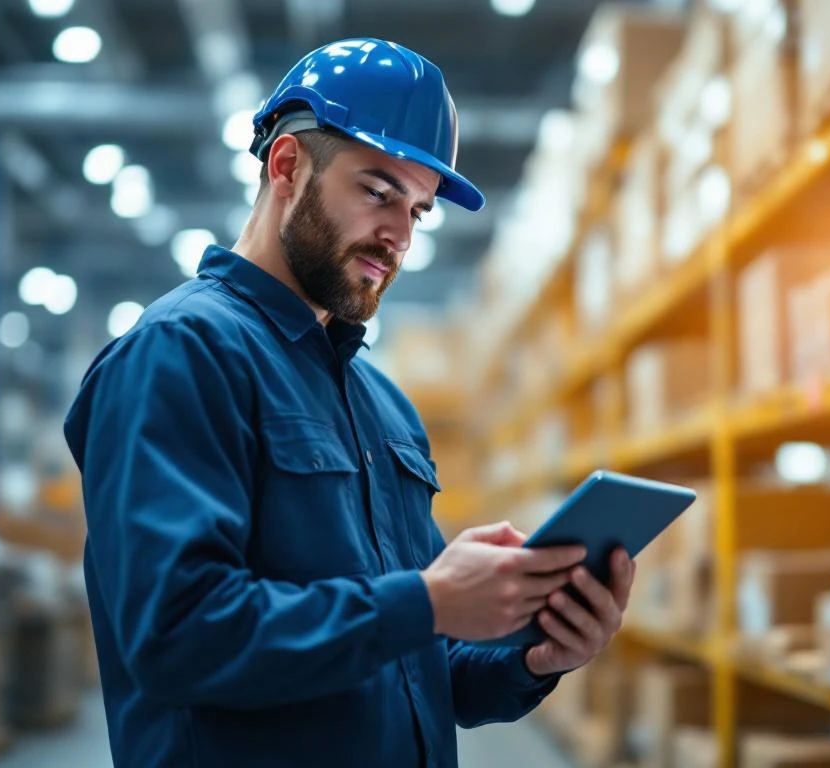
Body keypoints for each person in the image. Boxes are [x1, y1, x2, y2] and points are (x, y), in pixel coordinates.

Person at [62, 38, 636, 767]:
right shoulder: (180, 354)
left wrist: (534, 656)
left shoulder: (381, 405)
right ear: (287, 167)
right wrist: (427, 602)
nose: (399, 236)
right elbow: (177, 636)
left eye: (418, 210)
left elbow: (427, 669)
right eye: (377, 192)